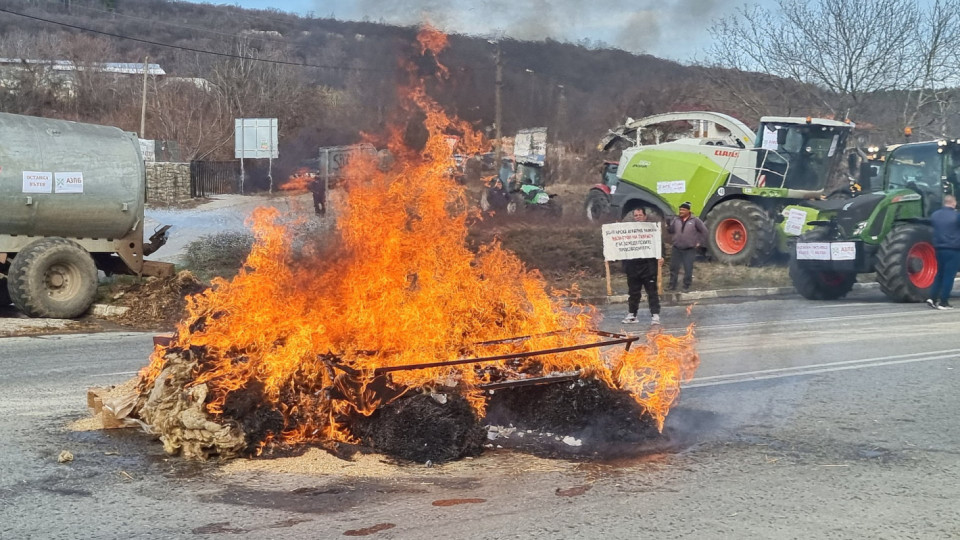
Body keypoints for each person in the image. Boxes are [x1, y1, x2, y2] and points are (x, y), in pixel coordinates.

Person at [621, 207, 662, 325]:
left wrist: (661, 257)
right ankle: (632, 315)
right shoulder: (629, 231)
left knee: (652, 292)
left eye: (640, 215)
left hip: (648, 267)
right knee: (633, 293)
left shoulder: (652, 230)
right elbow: (621, 246)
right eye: (636, 215)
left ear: (645, 216)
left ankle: (655, 315)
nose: (638, 217)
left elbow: (659, 246)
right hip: (632, 268)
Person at [926, 194, 960, 309]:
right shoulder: (957, 216)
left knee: (939, 274)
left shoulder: (935, 215)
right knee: (949, 276)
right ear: (953, 203)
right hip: (953, 249)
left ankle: (932, 298)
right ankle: (943, 301)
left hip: (938, 248)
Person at [667, 201, 708, 291]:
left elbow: (704, 231)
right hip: (676, 248)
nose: (681, 211)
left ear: (688, 211)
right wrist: (668, 225)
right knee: (674, 268)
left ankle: (686, 286)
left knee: (688, 268)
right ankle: (672, 285)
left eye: (683, 210)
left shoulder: (695, 220)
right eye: (680, 210)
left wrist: (699, 242)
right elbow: (671, 231)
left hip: (689, 249)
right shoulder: (676, 219)